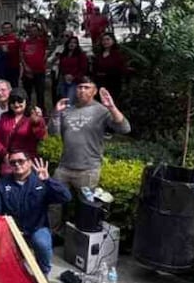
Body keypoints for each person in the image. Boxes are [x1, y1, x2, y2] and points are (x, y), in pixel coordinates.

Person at [48, 78, 131, 231]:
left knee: (86, 207)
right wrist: (55, 114)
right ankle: (52, 233)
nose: (82, 90)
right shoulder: (68, 110)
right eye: (79, 87)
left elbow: (125, 128)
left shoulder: (101, 111)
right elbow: (53, 133)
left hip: (88, 170)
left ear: (94, 91)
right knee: (54, 202)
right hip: (64, 167)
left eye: (87, 87)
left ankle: (80, 240)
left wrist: (112, 107)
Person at [0, 153, 70, 275]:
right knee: (5, 261)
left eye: (21, 161)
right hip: (12, 230)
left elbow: (65, 197)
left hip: (37, 227)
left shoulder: (41, 181)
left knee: (42, 243)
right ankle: (19, 276)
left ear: (29, 162)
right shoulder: (2, 184)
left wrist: (48, 181)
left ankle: (43, 274)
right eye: (13, 162)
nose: (17, 164)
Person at [0, 89, 48, 174]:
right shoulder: (4, 117)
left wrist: (38, 122)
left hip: (28, 162)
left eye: (20, 101)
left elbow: (42, 137)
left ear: (26, 101)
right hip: (9, 161)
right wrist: (4, 155)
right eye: (13, 102)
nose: (16, 104)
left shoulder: (33, 117)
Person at [92, 32, 131, 100]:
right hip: (100, 84)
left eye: (108, 39)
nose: (105, 42)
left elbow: (121, 69)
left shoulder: (117, 54)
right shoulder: (99, 55)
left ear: (113, 41)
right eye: (103, 40)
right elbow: (95, 68)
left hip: (113, 84)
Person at [20, 23, 49, 110]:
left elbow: (46, 33)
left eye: (35, 31)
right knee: (27, 93)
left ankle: (41, 112)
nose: (33, 33)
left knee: (40, 94)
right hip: (27, 73)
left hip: (39, 72)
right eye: (31, 31)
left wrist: (42, 23)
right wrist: (25, 67)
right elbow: (21, 56)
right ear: (28, 32)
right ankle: (26, 111)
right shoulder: (24, 43)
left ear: (38, 32)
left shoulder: (42, 41)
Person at [56, 36, 89, 105]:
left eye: (74, 43)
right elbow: (61, 66)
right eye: (70, 42)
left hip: (75, 81)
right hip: (64, 80)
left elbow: (83, 69)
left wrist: (74, 77)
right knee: (63, 101)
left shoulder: (81, 55)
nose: (72, 44)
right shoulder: (64, 54)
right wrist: (65, 75)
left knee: (70, 102)